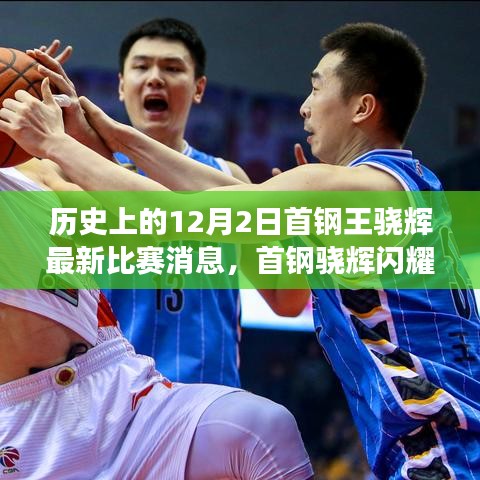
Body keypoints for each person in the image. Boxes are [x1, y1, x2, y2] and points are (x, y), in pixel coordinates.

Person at [3, 21, 480, 479]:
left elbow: (176, 216)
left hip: (441, 447)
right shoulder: (409, 182)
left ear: (362, 108)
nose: (304, 108)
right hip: (448, 436)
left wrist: (55, 143)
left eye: (316, 88)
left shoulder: (347, 187)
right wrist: (106, 130)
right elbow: (217, 193)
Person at [0, 162, 314, 479]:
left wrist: (296, 231)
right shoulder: (62, 161)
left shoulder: (51, 165)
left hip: (136, 393)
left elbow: (140, 233)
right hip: (31, 414)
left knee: (262, 427)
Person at [55, 17, 310, 386]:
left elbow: (286, 301)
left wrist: (299, 230)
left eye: (172, 68)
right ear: (122, 86)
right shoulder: (78, 174)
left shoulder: (228, 177)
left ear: (198, 88)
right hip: (112, 397)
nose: (155, 77)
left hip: (207, 396)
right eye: (142, 66)